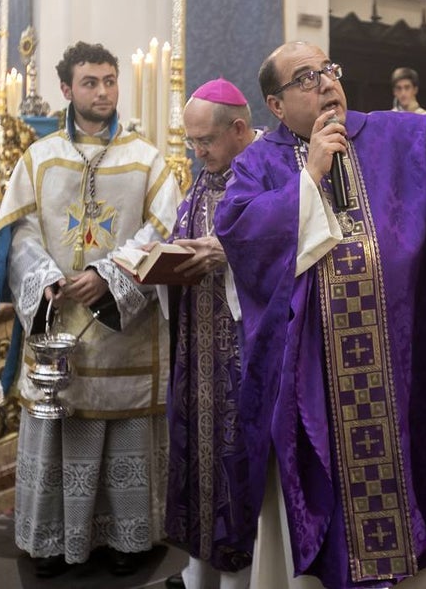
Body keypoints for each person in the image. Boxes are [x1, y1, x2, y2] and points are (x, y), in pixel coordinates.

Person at [216, 5, 426, 589]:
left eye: (327, 69)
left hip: (403, 375)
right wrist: (309, 176)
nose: (326, 81)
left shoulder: (393, 132)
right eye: (305, 78)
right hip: (315, 388)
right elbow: (241, 236)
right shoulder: (259, 164)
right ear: (277, 107)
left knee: (416, 482)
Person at [0, 41, 181, 578]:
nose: (103, 91)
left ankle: (129, 539)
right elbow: (18, 233)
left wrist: (108, 275)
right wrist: (46, 281)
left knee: (124, 429)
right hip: (60, 328)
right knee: (62, 425)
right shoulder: (39, 158)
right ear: (67, 90)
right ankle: (54, 541)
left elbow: (164, 230)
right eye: (91, 82)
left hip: (126, 330)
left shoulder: (147, 161)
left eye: (109, 80)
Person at [162, 78, 259, 589]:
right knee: (200, 461)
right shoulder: (203, 177)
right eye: (191, 143)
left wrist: (231, 253)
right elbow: (184, 236)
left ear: (239, 128)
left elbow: (294, 246)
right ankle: (200, 573)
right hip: (198, 348)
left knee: (238, 462)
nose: (198, 153)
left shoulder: (271, 170)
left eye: (206, 141)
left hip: (246, 352)